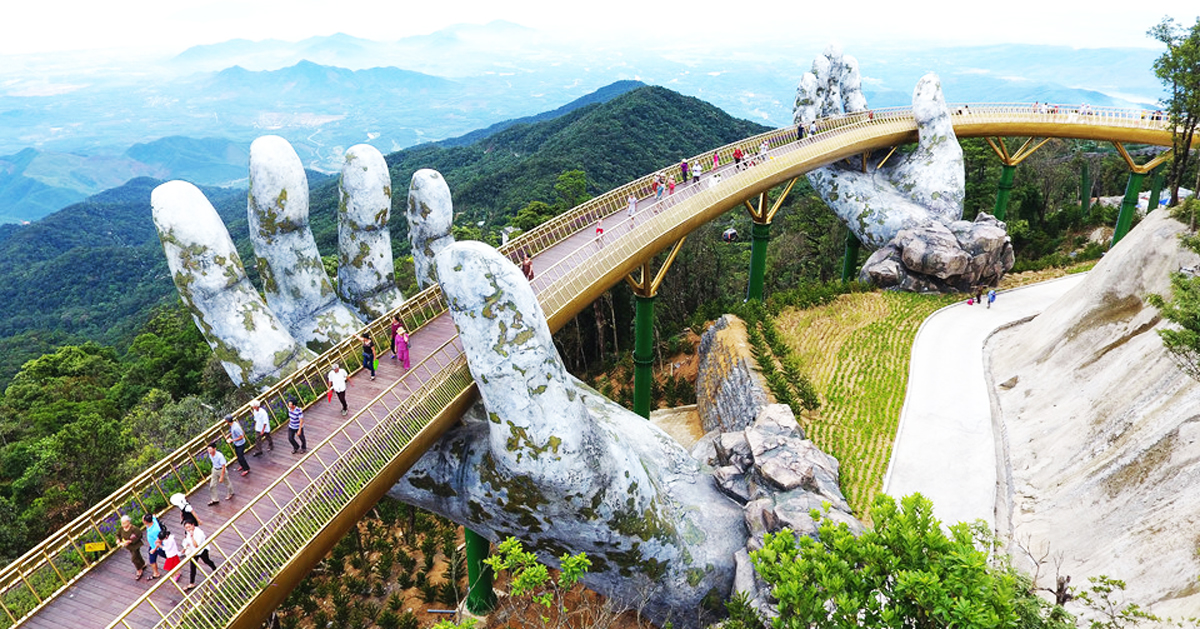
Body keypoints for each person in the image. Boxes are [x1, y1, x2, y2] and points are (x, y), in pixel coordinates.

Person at [182, 520, 217, 591]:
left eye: (189, 527)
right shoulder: (188, 532)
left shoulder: (199, 533)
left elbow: (196, 545)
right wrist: (185, 547)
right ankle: (192, 582)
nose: (188, 529)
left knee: (206, 561)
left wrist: (192, 537)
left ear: (193, 525)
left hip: (202, 550)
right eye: (186, 528)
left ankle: (214, 568)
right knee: (193, 566)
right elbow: (186, 540)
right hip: (194, 552)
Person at [117, 515, 146, 580]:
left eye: (124, 523)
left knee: (134, 558)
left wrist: (130, 541)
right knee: (137, 555)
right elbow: (118, 534)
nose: (123, 525)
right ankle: (142, 564)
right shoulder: (121, 529)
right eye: (122, 523)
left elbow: (139, 535)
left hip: (135, 545)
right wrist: (118, 539)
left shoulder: (134, 529)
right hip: (129, 546)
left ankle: (139, 569)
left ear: (128, 522)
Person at [143, 513, 164, 579]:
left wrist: (154, 549)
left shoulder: (154, 531)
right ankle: (156, 573)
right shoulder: (153, 521)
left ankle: (176, 568)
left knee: (168, 556)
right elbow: (154, 516)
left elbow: (159, 540)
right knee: (152, 559)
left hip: (157, 548)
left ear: (145, 521)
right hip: (152, 546)